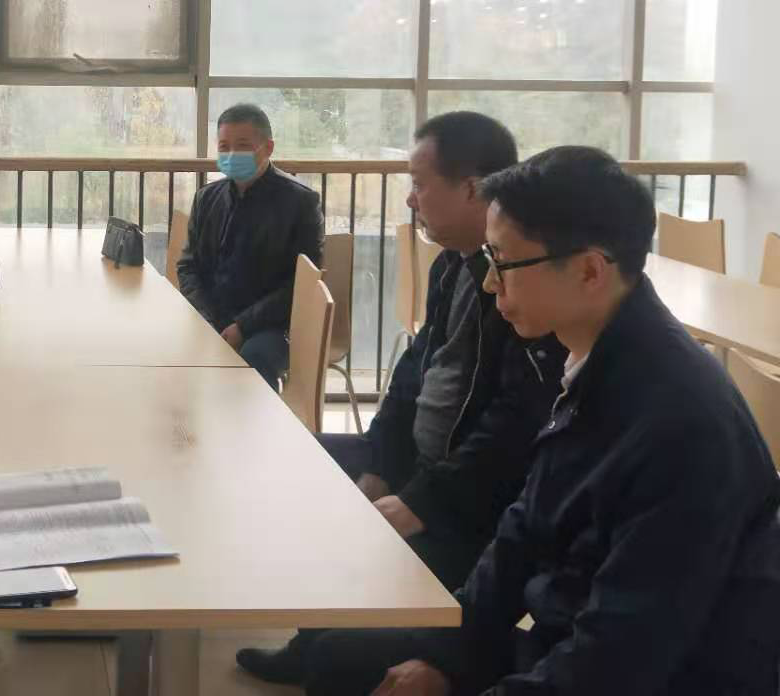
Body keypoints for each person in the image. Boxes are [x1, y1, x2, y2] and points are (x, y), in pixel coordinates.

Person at [303, 146, 780, 696]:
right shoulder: (586, 357)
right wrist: (445, 658)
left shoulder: (682, 425)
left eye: (503, 263)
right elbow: (522, 532)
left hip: (667, 674)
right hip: (569, 639)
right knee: (338, 659)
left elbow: (623, 654)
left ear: (589, 271)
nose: (490, 283)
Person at [239, 111, 564, 686]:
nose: (410, 200)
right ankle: (308, 635)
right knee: (298, 465)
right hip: (421, 462)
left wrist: (419, 500)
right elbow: (411, 375)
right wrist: (378, 464)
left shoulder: (522, 290)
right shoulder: (451, 268)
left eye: (418, 183)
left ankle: (330, 639)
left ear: (472, 189)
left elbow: (510, 431)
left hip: (466, 498)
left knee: (338, 660)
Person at [176, 103, 324, 390]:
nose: (232, 155)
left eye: (242, 146)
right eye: (224, 147)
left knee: (252, 361)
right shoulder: (206, 199)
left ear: (268, 148)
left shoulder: (301, 203)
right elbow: (187, 266)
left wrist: (242, 326)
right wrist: (207, 319)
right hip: (211, 317)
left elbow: (301, 284)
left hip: (271, 327)